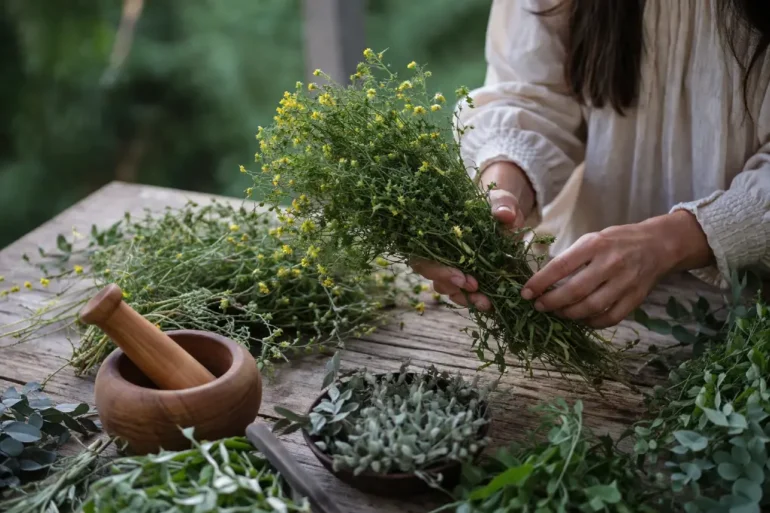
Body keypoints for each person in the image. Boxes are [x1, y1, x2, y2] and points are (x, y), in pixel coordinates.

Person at [412, 0, 770, 328]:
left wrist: (669, 242)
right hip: (597, 305)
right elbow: (533, 93)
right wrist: (503, 194)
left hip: (751, 319)